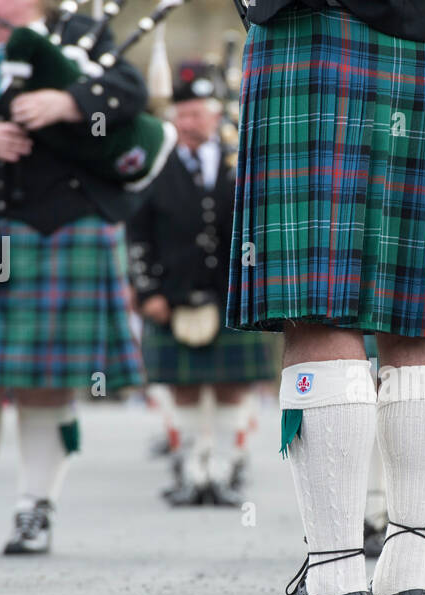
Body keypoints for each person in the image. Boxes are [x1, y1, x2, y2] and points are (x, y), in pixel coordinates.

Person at [222, 0, 425, 595]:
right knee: (424, 313)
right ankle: (410, 581)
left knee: (317, 301)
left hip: (318, 28)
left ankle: (334, 581)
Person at [0, 0, 145, 555]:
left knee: (46, 379)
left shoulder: (81, 36)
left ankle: (34, 511)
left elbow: (130, 94)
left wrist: (69, 100)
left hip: (59, 227)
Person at [128, 62, 274, 508]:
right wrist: (148, 290)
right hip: (171, 297)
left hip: (231, 295)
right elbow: (137, 232)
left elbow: (261, 227)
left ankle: (226, 471)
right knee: (185, 389)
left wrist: (258, 289)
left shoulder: (243, 162)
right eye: (182, 112)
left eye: (199, 113)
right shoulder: (153, 163)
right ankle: (193, 472)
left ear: (216, 115)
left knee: (233, 387)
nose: (189, 121)